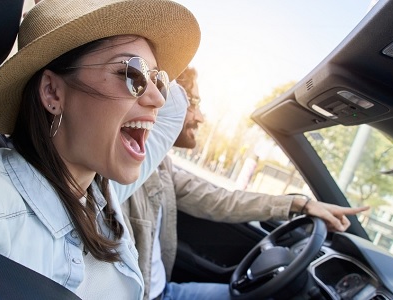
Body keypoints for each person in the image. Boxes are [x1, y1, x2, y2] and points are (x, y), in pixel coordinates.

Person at [0, 0, 200, 299]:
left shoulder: (104, 205)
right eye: (134, 74)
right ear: (53, 92)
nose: (158, 98)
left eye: (158, 79)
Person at [122, 66, 370, 300]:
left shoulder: (161, 165)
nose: (201, 117)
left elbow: (222, 200)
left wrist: (300, 204)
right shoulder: (117, 174)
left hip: (165, 291)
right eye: (193, 103)